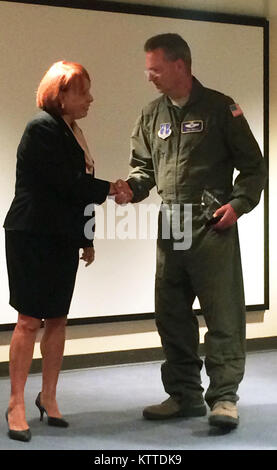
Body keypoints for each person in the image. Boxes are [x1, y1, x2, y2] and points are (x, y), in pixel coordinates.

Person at [115, 33, 267, 430]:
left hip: (210, 225)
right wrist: (131, 188)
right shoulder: (151, 115)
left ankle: (224, 399)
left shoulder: (221, 109)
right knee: (172, 314)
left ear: (180, 65)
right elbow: (143, 169)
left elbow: (253, 166)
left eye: (155, 68)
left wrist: (237, 205)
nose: (150, 76)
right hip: (171, 225)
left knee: (223, 313)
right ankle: (184, 395)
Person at [3, 61, 120, 442]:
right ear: (61, 95)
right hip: (31, 234)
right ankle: (16, 403)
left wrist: (86, 238)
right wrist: (113, 189)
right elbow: (66, 184)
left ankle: (48, 398)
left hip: (62, 238)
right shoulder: (41, 128)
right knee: (27, 320)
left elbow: (76, 190)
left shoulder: (74, 132)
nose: (90, 99)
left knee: (57, 318)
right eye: (83, 91)